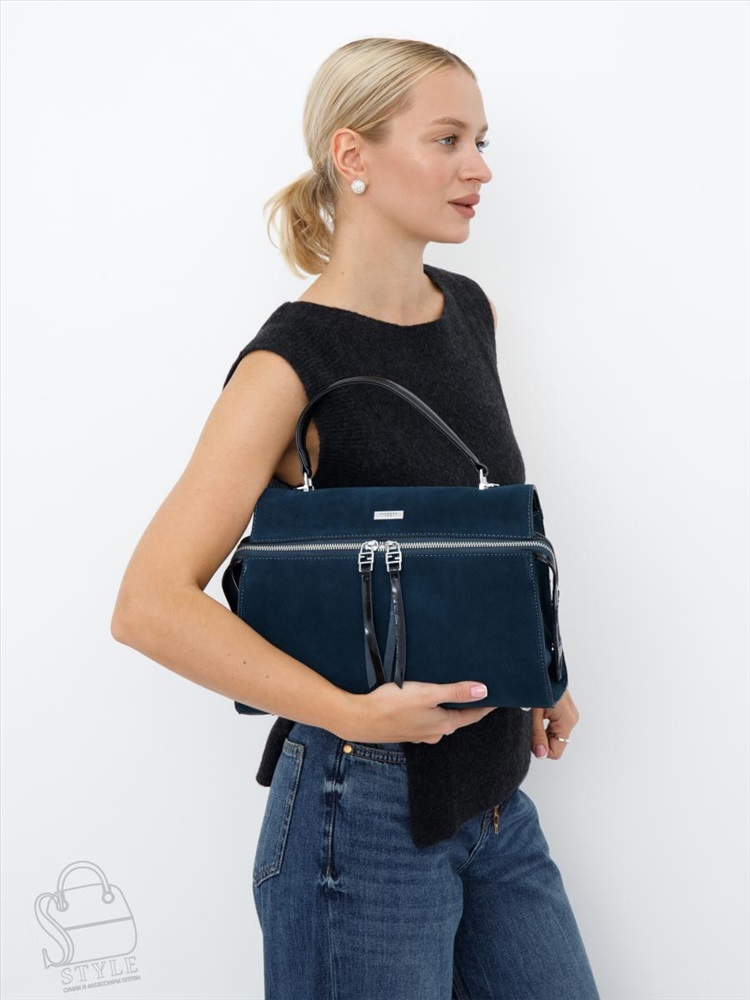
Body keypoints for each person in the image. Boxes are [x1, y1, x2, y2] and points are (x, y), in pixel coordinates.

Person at [112, 36, 600, 1000]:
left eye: (482, 140)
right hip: (359, 809)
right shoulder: (289, 361)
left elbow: (469, 535)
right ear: (353, 156)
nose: (479, 168)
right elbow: (149, 604)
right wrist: (348, 711)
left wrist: (537, 665)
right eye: (448, 139)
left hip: (494, 804)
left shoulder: (468, 312)